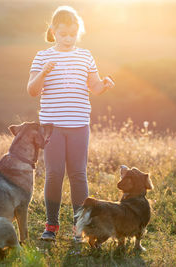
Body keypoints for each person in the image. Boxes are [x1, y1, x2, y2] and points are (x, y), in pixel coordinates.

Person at [27, 5, 114, 242]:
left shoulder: (85, 56)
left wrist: (104, 85)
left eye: (72, 34)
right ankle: (51, 226)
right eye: (63, 33)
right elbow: (32, 91)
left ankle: (79, 227)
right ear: (53, 31)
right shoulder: (42, 56)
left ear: (78, 33)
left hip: (79, 125)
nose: (68, 38)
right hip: (52, 128)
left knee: (78, 175)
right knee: (54, 174)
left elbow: (94, 87)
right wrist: (43, 73)